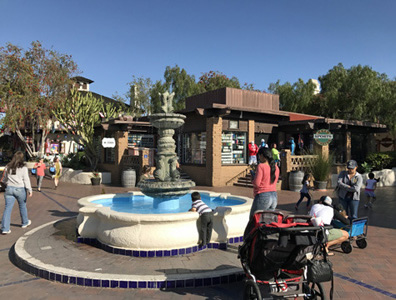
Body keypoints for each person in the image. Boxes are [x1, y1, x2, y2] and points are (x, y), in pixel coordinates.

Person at [1, 151, 33, 235]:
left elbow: (4, 178)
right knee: (22, 206)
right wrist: (29, 190)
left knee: (7, 208)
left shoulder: (8, 166)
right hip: (20, 189)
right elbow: (26, 179)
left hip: (9, 189)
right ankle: (24, 222)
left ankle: (5, 228)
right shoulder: (23, 167)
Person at [250, 147, 280, 218]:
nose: (259, 158)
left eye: (259, 156)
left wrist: (252, 179)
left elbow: (257, 184)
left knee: (254, 219)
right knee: (268, 221)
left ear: (262, 156)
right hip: (274, 196)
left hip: (263, 195)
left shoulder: (261, 166)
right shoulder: (276, 168)